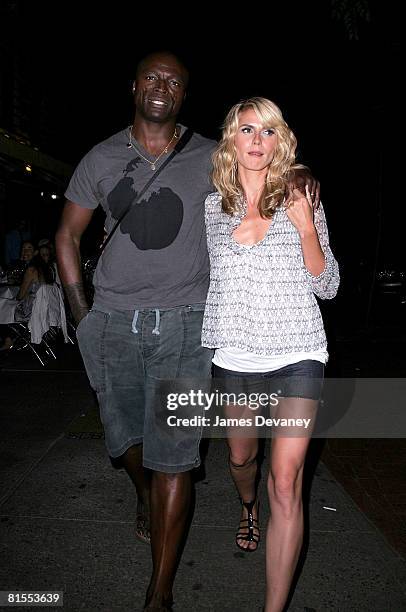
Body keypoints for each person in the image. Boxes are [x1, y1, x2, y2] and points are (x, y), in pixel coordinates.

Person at [56, 52, 320, 611]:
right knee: (128, 442)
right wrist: (83, 320)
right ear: (133, 87)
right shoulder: (100, 157)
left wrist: (298, 174)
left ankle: (161, 593)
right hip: (113, 321)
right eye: (152, 78)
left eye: (174, 81)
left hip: (188, 324)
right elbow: (66, 237)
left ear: (184, 95)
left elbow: (260, 163)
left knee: (175, 452)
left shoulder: (208, 156)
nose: (161, 87)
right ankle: (144, 493)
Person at [201, 97, 339, 611]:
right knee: (242, 457)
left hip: (300, 354)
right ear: (231, 141)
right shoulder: (213, 207)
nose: (257, 139)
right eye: (246, 129)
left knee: (287, 481)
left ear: (280, 140)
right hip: (236, 358)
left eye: (268, 130)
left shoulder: (301, 196)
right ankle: (246, 505)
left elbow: (329, 287)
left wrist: (305, 226)